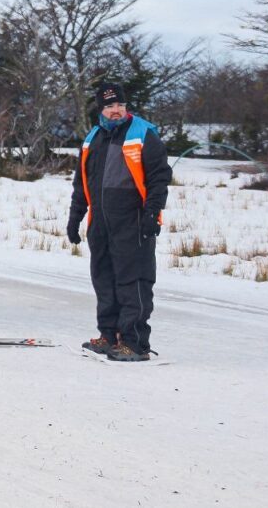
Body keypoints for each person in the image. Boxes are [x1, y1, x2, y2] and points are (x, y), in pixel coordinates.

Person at [67, 82, 171, 362]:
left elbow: (159, 177)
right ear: (101, 109)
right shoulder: (93, 138)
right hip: (100, 220)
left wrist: (152, 212)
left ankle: (134, 342)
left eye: (121, 106)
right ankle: (109, 335)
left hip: (133, 219)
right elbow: (82, 182)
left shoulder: (142, 134)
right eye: (111, 106)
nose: (116, 111)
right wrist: (75, 216)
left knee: (132, 280)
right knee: (104, 279)